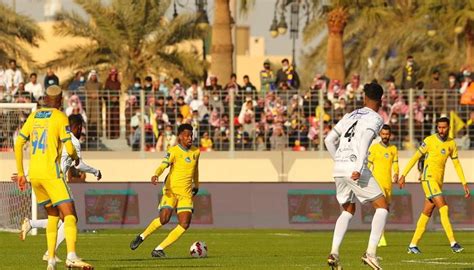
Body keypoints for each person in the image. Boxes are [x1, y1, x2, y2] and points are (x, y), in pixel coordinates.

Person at [14, 85, 93, 269]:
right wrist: (74, 158)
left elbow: (18, 143)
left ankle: (51, 260)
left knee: (52, 215)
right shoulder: (60, 117)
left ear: (45, 99)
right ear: (59, 101)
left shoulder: (34, 116)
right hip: (51, 174)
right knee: (70, 215)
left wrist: (20, 172)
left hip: (34, 175)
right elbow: (70, 146)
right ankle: (71, 256)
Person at [18, 114, 102, 262]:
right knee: (71, 218)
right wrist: (96, 171)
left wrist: (25, 174)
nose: (80, 131)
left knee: (58, 217)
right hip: (58, 181)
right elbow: (78, 164)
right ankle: (61, 254)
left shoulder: (57, 136)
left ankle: (31, 224)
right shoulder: (73, 142)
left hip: (43, 178)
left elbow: (44, 157)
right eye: (80, 128)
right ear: (77, 127)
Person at [324, 82, 388, 269]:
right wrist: (358, 167)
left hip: (339, 167)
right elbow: (366, 140)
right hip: (355, 167)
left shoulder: (350, 115)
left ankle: (334, 253)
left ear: (364, 98)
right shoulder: (376, 118)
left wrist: (339, 161)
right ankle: (371, 253)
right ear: (381, 100)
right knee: (382, 207)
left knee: (348, 210)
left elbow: (328, 140)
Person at [399, 117, 470, 254]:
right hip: (428, 179)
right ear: (436, 127)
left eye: (444, 127)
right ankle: (453, 243)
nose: (441, 130)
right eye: (439, 127)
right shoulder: (429, 140)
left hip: (438, 182)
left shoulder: (451, 143)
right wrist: (404, 175)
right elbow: (415, 157)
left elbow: (456, 164)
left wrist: (464, 183)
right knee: (444, 207)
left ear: (449, 127)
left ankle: (413, 245)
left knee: (427, 212)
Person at [130, 124, 200, 258]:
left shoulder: (196, 152)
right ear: (180, 137)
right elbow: (164, 164)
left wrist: (196, 185)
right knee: (164, 219)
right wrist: (156, 174)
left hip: (186, 194)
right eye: (187, 135)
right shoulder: (173, 151)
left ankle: (159, 249)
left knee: (184, 224)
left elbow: (195, 169)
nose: (190, 138)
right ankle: (142, 236)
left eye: (191, 135)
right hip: (171, 191)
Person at [367, 124, 399, 247]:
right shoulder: (374, 148)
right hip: (377, 184)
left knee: (385, 211)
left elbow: (395, 164)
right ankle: (380, 237)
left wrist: (396, 174)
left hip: (388, 185)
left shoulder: (393, 149)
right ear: (380, 134)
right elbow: (369, 166)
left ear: (390, 135)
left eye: (387, 134)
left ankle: (379, 235)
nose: (385, 136)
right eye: (383, 134)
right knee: (382, 210)